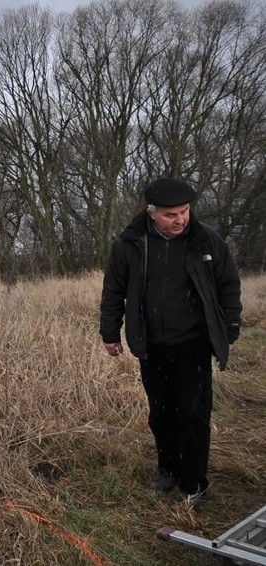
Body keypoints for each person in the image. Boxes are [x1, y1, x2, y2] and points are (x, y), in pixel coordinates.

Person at [99, 177, 241, 506]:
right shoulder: (131, 244)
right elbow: (113, 290)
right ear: (152, 213)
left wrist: (230, 325)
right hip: (151, 343)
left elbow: (228, 285)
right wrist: (110, 333)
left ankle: (193, 485)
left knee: (192, 414)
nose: (180, 220)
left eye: (185, 211)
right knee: (161, 413)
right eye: (171, 215)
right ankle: (169, 470)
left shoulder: (207, 241)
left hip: (193, 343)